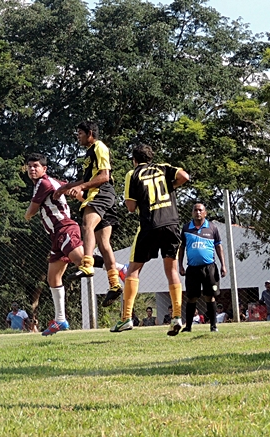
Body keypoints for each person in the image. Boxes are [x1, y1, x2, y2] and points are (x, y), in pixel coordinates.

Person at [24, 154, 125, 336]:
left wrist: (27, 215)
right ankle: (60, 320)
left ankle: (119, 268)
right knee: (53, 277)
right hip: (57, 234)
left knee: (81, 261)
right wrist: (81, 197)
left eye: (36, 166)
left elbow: (31, 211)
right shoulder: (55, 182)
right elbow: (76, 192)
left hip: (64, 228)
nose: (32, 169)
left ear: (44, 169)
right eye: (30, 166)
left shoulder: (43, 184)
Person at [111, 144, 190, 335]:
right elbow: (185, 177)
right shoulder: (163, 168)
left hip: (149, 224)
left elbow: (130, 207)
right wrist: (173, 186)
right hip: (171, 223)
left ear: (134, 159)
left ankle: (126, 318)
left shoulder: (133, 173)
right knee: (171, 269)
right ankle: (177, 316)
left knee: (133, 270)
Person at [52, 121, 123, 307]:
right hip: (103, 194)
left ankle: (87, 264)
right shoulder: (89, 153)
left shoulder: (99, 147)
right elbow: (87, 178)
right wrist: (67, 187)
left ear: (90, 133)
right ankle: (114, 284)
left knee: (87, 224)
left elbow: (104, 176)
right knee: (104, 243)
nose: (78, 137)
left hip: (102, 192)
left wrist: (82, 187)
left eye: (80, 133)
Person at [178, 203, 227, 333]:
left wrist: (223, 265)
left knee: (210, 296)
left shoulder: (212, 228)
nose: (198, 212)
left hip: (209, 268)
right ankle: (188, 327)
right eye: (195, 210)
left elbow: (218, 246)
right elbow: (181, 247)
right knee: (191, 297)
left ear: (205, 213)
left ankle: (213, 326)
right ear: (192, 213)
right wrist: (180, 265)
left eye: (200, 210)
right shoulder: (186, 228)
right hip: (192, 269)